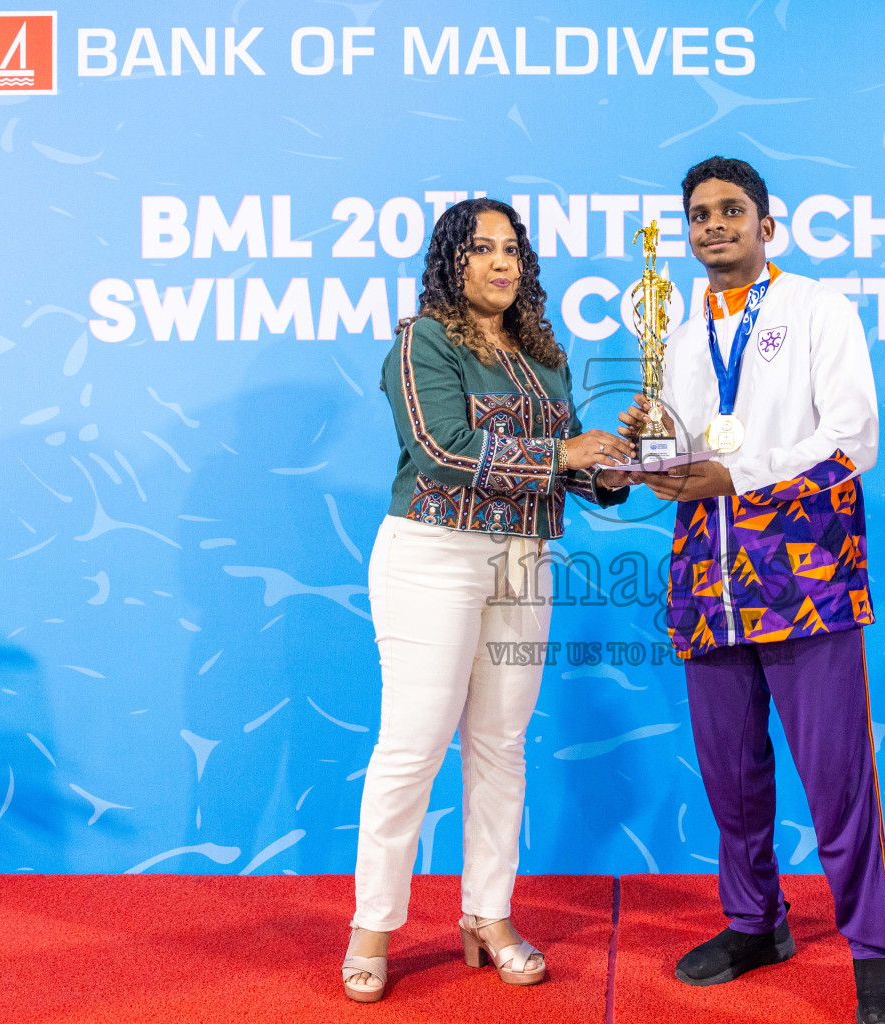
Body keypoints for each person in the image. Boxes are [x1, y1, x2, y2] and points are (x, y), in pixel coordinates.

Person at [616, 157, 885, 1024]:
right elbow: (683, 455)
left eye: (731, 210)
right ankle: (756, 922)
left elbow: (849, 440)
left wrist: (731, 474)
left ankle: (873, 947)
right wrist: (646, 454)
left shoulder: (818, 311)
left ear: (766, 225)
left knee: (837, 779)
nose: (714, 225)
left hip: (806, 582)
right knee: (732, 779)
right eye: (700, 214)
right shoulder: (677, 337)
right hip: (706, 581)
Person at [342, 197, 634, 1002]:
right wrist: (563, 451)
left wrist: (611, 467)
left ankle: (488, 914)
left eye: (513, 250)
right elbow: (440, 449)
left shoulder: (542, 353)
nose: (502, 263)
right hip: (433, 554)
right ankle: (373, 926)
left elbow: (568, 464)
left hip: (523, 561)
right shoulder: (422, 340)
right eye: (483, 249)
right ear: (451, 260)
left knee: (501, 744)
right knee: (413, 745)